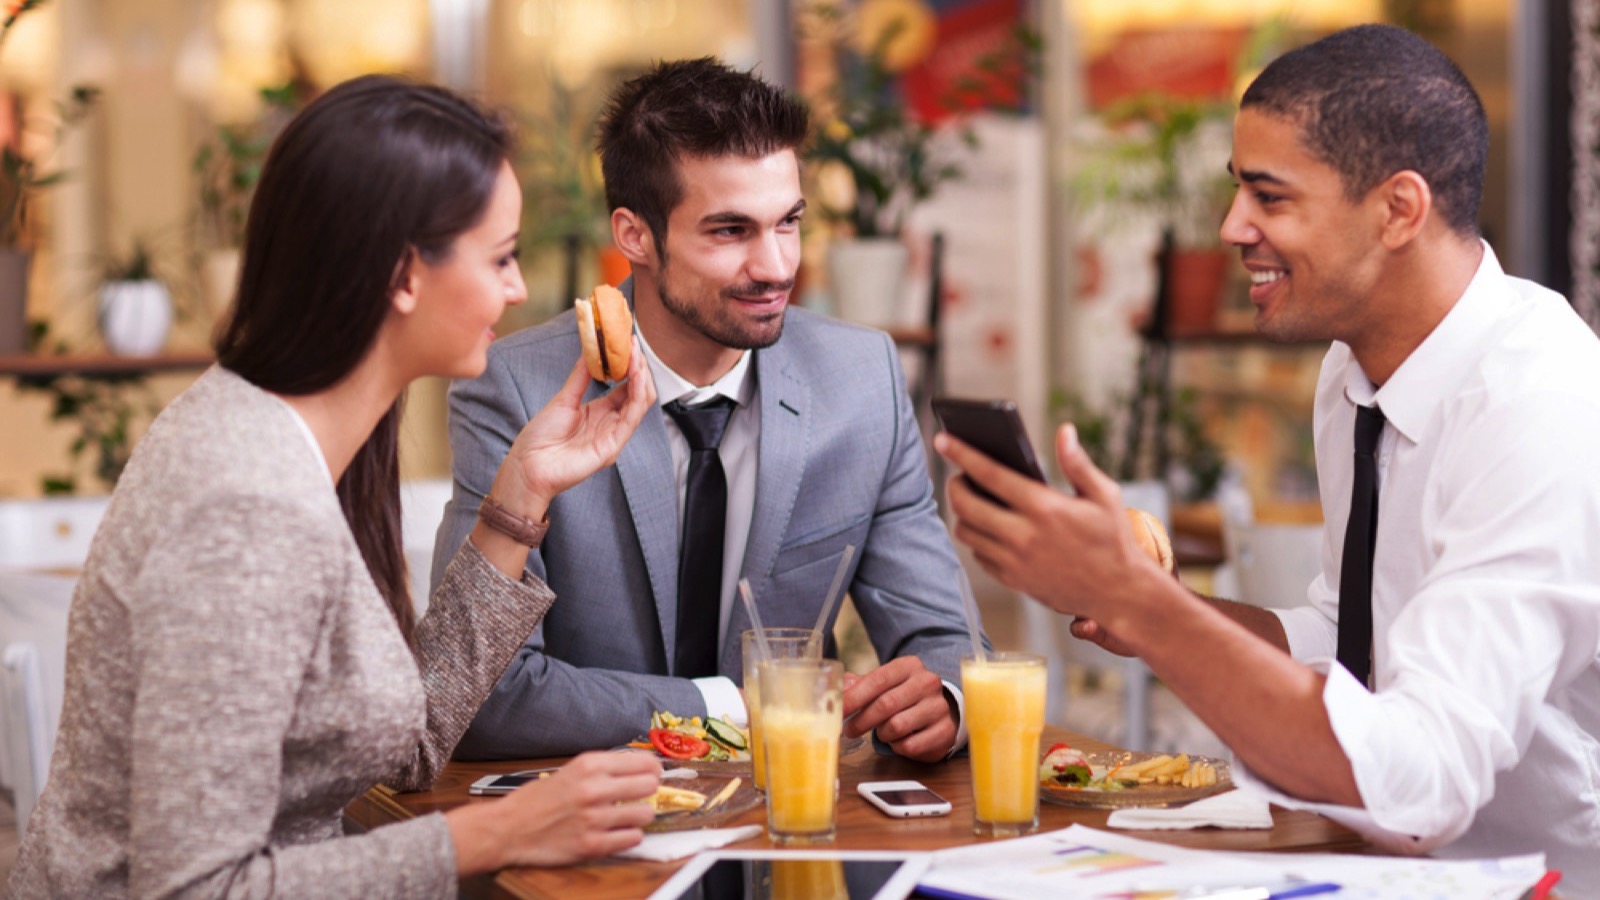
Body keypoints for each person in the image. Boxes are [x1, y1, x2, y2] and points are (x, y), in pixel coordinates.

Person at [937, 23, 1600, 891]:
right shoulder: (1353, 371)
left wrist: (1139, 603)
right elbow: (1350, 640)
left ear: (1399, 209)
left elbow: (1424, 782)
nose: (1231, 227)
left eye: (1270, 197)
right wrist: (1150, 603)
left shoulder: (1538, 402)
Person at [5, 76, 664, 899]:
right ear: (401, 274)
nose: (519, 288)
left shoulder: (308, 437)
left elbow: (406, 743)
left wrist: (523, 492)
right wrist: (497, 832)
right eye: (500, 256)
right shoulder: (246, 507)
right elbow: (195, 888)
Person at [434, 57, 983, 763]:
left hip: (791, 838)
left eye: (788, 223)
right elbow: (484, 699)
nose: (777, 266)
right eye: (730, 232)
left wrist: (943, 700)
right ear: (635, 235)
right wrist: (731, 705)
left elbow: (947, 638)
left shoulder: (861, 379)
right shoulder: (516, 389)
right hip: (600, 846)